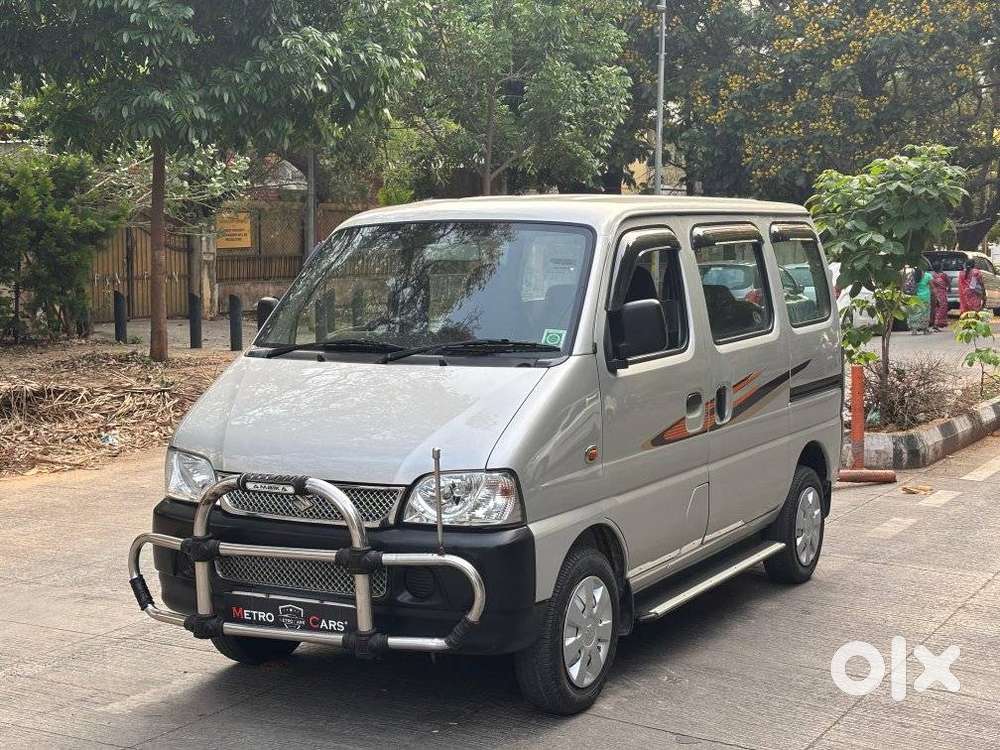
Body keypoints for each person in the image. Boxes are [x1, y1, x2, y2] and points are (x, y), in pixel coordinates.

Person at [906, 266, 932, 334]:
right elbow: (932, 286)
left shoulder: (912, 275)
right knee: (925, 313)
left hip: (915, 297)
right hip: (925, 297)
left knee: (914, 313)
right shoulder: (927, 275)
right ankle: (925, 330)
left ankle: (914, 330)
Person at [930, 262, 950, 330]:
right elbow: (948, 283)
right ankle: (938, 323)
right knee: (942, 308)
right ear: (940, 267)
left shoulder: (932, 275)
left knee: (935, 308)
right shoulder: (943, 275)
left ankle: (935, 322)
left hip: (934, 293)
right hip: (942, 293)